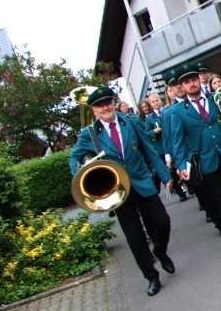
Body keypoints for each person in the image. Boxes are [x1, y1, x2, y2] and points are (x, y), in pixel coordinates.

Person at [68, 86, 174, 296]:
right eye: (100, 105)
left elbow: (148, 150)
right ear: (94, 110)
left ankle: (160, 251)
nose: (105, 107)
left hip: (142, 181)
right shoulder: (89, 133)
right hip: (117, 191)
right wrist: (80, 175)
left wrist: (165, 176)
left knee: (163, 222)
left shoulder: (130, 122)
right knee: (135, 237)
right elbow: (73, 157)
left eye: (108, 103)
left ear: (113, 104)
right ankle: (151, 277)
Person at [166, 62, 221, 257]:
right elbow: (178, 142)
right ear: (182, 86)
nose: (192, 84)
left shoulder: (216, 98)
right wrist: (181, 165)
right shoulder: (177, 111)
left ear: (199, 80)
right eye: (187, 82)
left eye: (194, 80)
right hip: (207, 163)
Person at [145, 92, 188, 202]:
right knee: (171, 171)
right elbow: (146, 133)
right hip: (160, 148)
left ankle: (189, 184)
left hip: (172, 142)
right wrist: (154, 132)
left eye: (157, 100)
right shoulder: (150, 118)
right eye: (153, 102)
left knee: (181, 165)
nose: (156, 103)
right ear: (150, 104)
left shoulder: (168, 111)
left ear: (161, 100)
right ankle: (180, 192)